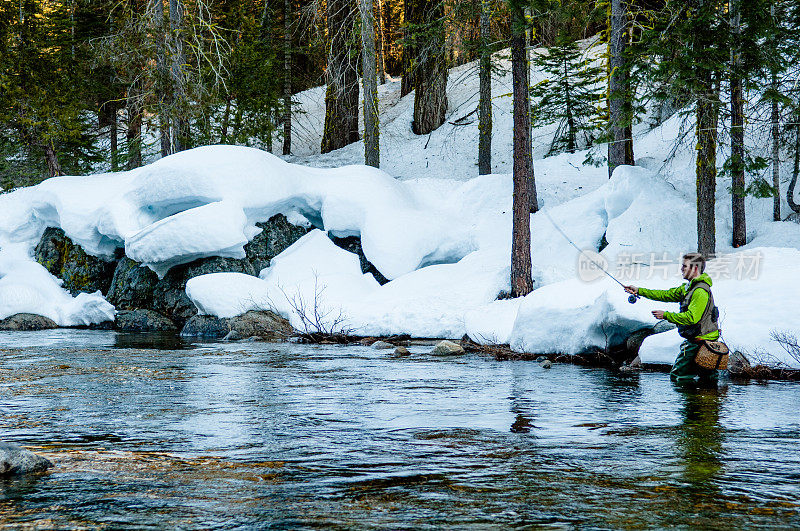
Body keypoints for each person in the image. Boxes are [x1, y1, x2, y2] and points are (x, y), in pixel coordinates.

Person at [624, 253, 720, 383]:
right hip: (700, 341)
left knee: (679, 376)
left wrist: (666, 315)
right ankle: (702, 402)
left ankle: (694, 402)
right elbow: (665, 295)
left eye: (684, 266)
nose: (681, 269)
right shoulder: (688, 288)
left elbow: (692, 318)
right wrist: (639, 291)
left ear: (695, 269)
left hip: (701, 342)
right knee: (707, 379)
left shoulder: (700, 291)